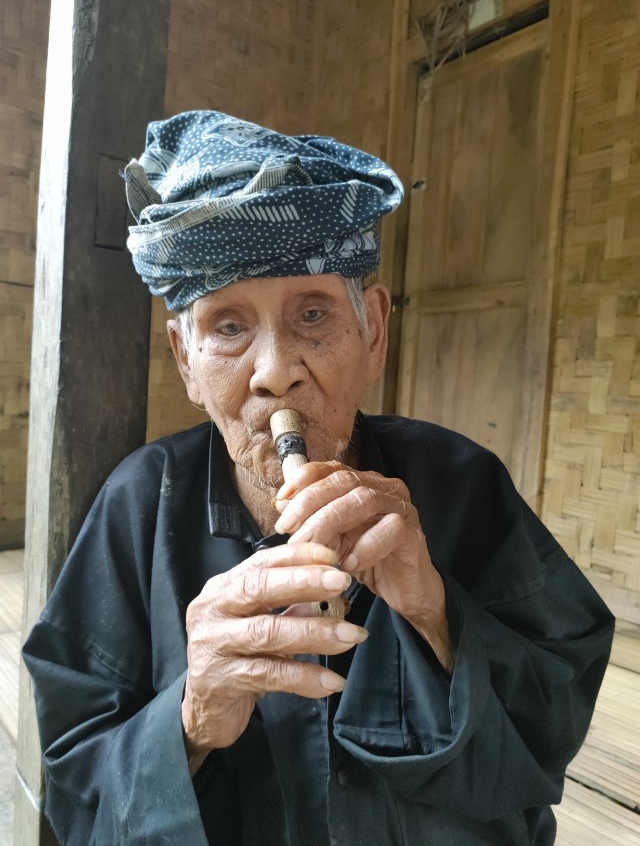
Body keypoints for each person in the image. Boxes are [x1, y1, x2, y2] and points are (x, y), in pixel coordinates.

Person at [23, 110, 614, 846]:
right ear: (185, 359)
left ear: (374, 331)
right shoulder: (140, 504)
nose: (274, 371)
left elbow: (555, 717)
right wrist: (192, 717)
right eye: (229, 327)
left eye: (312, 314)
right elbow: (75, 782)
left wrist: (436, 615)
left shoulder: (462, 482)